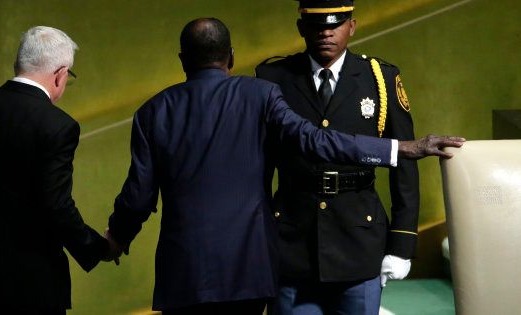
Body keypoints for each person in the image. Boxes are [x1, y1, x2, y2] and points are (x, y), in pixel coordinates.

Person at [103, 17, 462, 315]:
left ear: (182, 59)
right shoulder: (260, 94)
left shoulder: (151, 112)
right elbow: (317, 141)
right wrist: (402, 149)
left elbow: (138, 196)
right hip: (247, 267)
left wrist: (116, 238)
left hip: (183, 272)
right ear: (230, 56)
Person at [0, 26, 117, 315]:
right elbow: (57, 207)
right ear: (60, 74)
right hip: (34, 284)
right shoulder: (59, 126)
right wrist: (100, 248)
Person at [255, 0, 422, 314]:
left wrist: (402, 244)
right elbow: (259, 166)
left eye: (335, 24)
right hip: (291, 243)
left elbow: (404, 163)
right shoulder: (272, 78)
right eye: (317, 25)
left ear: (352, 26)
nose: (326, 33)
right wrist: (258, 240)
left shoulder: (380, 78)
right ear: (301, 28)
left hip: (359, 242)